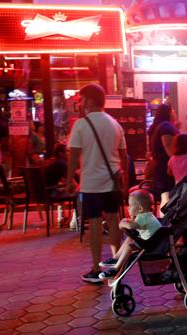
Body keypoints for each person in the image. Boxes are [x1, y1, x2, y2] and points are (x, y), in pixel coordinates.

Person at [66, 83, 128, 284]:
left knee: (94, 224)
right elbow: (124, 156)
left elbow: (74, 157)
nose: (79, 103)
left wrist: (68, 181)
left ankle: (95, 269)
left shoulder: (81, 125)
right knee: (113, 221)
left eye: (81, 99)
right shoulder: (114, 123)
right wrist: (124, 180)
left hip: (91, 183)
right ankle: (117, 264)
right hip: (112, 181)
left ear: (90, 100)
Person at [99, 189, 161, 279]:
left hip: (150, 246)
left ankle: (116, 269)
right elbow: (134, 224)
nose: (128, 208)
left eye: (130, 206)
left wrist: (122, 223)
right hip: (149, 242)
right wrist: (126, 221)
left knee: (130, 246)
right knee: (130, 238)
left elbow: (132, 226)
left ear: (140, 209)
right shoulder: (146, 215)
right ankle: (115, 258)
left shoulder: (144, 216)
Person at [145, 104, 179, 213]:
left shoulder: (158, 126)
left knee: (165, 198)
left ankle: (165, 223)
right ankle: (167, 224)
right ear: (168, 113)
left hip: (159, 168)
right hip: (166, 169)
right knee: (168, 198)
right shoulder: (166, 127)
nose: (174, 113)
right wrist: (177, 163)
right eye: (173, 110)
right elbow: (168, 146)